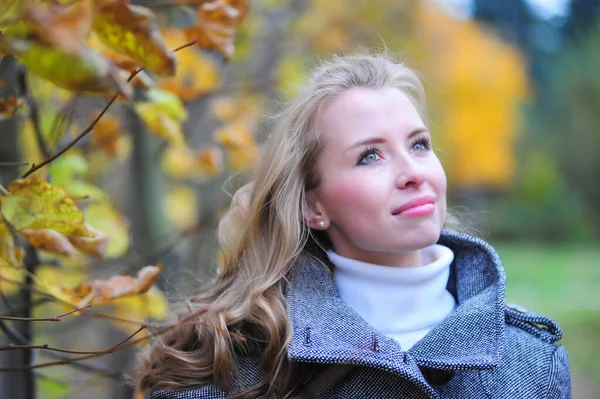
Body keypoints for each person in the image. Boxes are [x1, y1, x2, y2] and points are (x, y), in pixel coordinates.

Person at [133, 53, 571, 398]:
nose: (411, 172)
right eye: (370, 155)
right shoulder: (225, 366)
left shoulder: (530, 362)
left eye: (419, 144)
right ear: (313, 206)